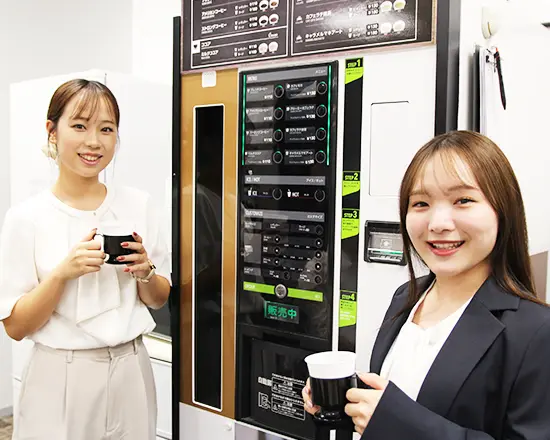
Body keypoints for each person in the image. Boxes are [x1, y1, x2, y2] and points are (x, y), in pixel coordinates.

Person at [302, 130, 550, 439]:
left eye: (463, 200)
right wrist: (347, 399)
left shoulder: (536, 331)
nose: (438, 224)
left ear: (503, 210)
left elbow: (402, 420)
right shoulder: (407, 296)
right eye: (421, 203)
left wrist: (396, 423)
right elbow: (410, 398)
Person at [0, 79, 171, 440]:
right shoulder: (26, 218)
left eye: (106, 129)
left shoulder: (138, 204)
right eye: (79, 126)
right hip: (60, 375)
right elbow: (16, 327)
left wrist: (145, 272)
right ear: (52, 131)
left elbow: (158, 299)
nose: (94, 141)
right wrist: (62, 274)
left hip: (131, 369)